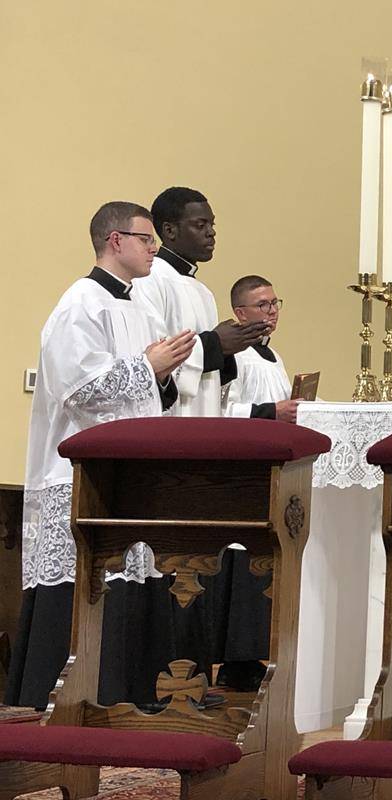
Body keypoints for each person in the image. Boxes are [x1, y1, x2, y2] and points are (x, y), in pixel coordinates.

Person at [6, 201, 194, 708]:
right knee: (82, 591)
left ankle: (122, 700)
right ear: (116, 241)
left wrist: (164, 374)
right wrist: (147, 365)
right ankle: (63, 703)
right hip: (78, 477)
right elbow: (78, 390)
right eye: (146, 238)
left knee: (129, 591)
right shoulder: (79, 304)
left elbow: (149, 389)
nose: (155, 248)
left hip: (128, 476)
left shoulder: (142, 305)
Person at [132, 187, 267, 415]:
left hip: (203, 414)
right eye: (200, 225)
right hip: (170, 418)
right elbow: (150, 355)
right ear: (170, 230)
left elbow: (213, 368)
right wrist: (216, 344)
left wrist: (228, 350)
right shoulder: (151, 279)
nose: (211, 232)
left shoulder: (203, 291)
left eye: (212, 225)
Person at [222, 275, 298, 423]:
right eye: (263, 304)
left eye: (275, 303)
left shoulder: (274, 356)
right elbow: (224, 410)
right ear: (241, 314)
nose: (273, 311)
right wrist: (273, 411)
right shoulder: (234, 355)